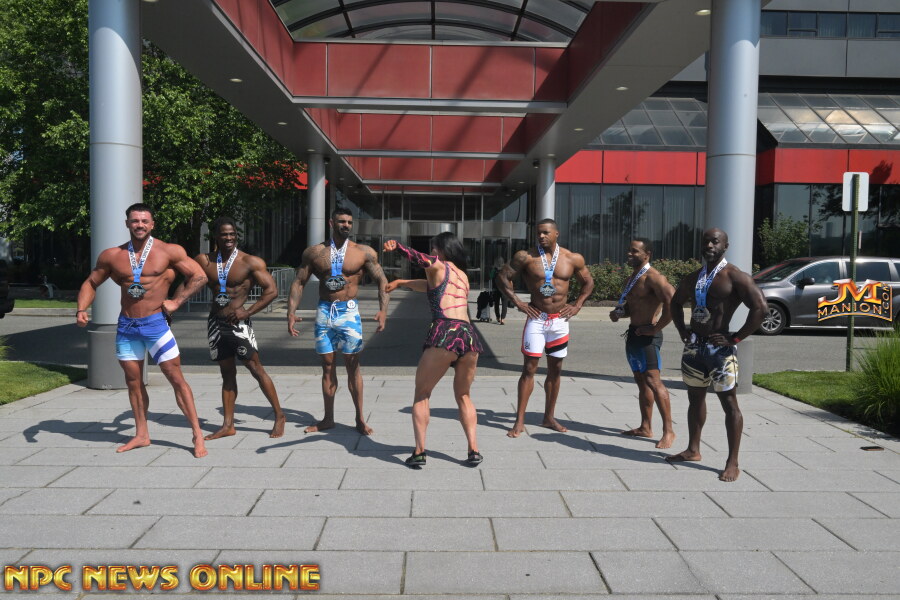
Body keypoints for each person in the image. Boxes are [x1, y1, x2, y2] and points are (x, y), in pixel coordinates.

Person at [75, 203, 208, 458]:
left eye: (144, 221)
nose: (140, 225)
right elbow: (91, 282)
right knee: (133, 382)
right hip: (127, 326)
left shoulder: (169, 251)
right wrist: (81, 308)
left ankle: (197, 434)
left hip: (156, 325)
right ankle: (142, 434)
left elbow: (199, 276)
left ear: (152, 224)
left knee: (176, 379)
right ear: (127, 223)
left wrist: (176, 301)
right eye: (135, 221)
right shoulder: (112, 255)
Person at [667, 228, 767, 482]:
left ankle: (732, 462)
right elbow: (675, 302)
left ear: (725, 246)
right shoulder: (694, 277)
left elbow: (761, 308)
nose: (710, 245)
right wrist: (682, 330)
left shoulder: (734, 276)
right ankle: (693, 449)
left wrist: (735, 338)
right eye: (706, 241)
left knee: (729, 404)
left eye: (715, 241)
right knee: (694, 399)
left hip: (720, 349)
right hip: (694, 348)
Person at [383, 233, 483, 467]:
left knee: (422, 393)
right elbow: (429, 286)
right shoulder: (462, 276)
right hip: (468, 336)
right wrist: (401, 283)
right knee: (464, 395)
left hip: (445, 331)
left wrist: (398, 247)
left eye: (433, 248)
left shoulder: (437, 264)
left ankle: (419, 452)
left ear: (439, 249)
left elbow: (420, 259)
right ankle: (474, 450)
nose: (431, 252)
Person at [287, 207, 388, 435]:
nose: (346, 225)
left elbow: (382, 280)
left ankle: (360, 419)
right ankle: (328, 419)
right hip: (325, 311)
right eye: (342, 221)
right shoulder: (314, 253)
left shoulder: (363, 252)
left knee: (353, 366)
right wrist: (291, 312)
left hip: (349, 313)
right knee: (327, 366)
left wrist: (383, 310)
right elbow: (299, 282)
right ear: (332, 223)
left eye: (349, 222)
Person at [497, 218, 594, 438]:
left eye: (545, 233)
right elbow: (502, 277)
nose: (541, 236)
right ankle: (519, 420)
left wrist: (577, 305)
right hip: (537, 319)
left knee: (555, 369)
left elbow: (588, 282)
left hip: (559, 321)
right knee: (529, 369)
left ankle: (549, 417)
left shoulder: (573, 258)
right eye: (538, 233)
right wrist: (518, 302)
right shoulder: (526, 257)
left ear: (556, 234)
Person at [193, 216, 286, 440]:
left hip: (239, 324)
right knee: (226, 373)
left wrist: (248, 311)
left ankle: (279, 415)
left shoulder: (249, 262)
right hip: (215, 322)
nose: (229, 238)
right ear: (215, 236)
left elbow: (272, 290)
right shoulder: (205, 261)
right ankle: (228, 425)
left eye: (232, 234)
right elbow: (187, 280)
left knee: (255, 368)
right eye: (224, 234)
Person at [609, 239, 676, 449]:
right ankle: (645, 426)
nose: (629, 254)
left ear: (647, 254)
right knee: (641, 381)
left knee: (654, 382)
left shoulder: (654, 278)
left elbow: (673, 303)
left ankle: (669, 432)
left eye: (634, 251)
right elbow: (633, 307)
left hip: (648, 338)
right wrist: (619, 313)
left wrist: (656, 328)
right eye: (628, 250)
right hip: (634, 335)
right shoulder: (632, 278)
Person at [489, 256, 511, 325]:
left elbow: (490, 277)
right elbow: (509, 277)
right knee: (504, 304)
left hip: (496, 289)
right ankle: (503, 319)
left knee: (496, 304)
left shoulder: (494, 270)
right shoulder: (506, 269)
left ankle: (498, 317)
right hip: (504, 289)